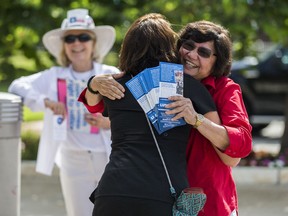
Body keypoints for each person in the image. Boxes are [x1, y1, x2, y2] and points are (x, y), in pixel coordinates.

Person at [78, 13, 219, 216]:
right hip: (162, 194)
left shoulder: (113, 85)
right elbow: (219, 138)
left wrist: (93, 83)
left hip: (112, 192)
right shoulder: (188, 86)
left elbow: (93, 104)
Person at [8, 8, 119, 216]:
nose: (76, 43)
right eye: (70, 39)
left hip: (109, 158)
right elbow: (16, 85)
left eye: (83, 37)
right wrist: (45, 101)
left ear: (93, 43)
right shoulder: (54, 76)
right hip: (73, 159)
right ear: (64, 46)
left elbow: (132, 115)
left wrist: (108, 122)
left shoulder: (109, 74)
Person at [176, 21, 253, 216]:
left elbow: (241, 144)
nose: (192, 55)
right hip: (163, 200)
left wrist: (197, 120)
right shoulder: (162, 79)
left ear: (217, 61)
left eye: (203, 52)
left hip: (211, 205)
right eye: (188, 46)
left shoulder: (226, 90)